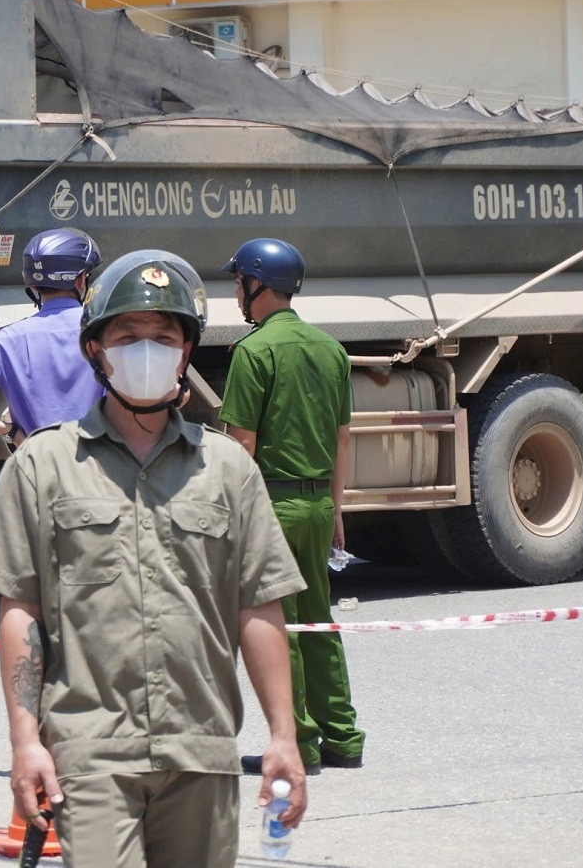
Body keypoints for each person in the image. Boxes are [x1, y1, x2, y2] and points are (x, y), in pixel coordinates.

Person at [0, 249, 309, 866]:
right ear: (95, 350)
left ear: (185, 353)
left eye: (163, 336)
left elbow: (258, 607)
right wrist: (25, 743)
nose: (145, 348)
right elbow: (21, 611)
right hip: (89, 753)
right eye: (127, 335)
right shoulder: (43, 466)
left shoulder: (228, 470)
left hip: (202, 752)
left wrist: (283, 736)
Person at [219, 237, 366, 773]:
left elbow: (241, 448)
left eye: (239, 282)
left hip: (272, 505)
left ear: (258, 284)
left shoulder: (254, 352)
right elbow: (344, 437)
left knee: (281, 625)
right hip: (318, 503)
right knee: (318, 622)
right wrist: (337, 509)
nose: (236, 292)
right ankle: (343, 736)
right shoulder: (330, 349)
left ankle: (299, 743)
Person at [0, 228, 105, 441]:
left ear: (32, 284)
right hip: (101, 467)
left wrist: (9, 430)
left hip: (38, 467)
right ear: (80, 280)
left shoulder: (4, 341)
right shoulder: (108, 332)